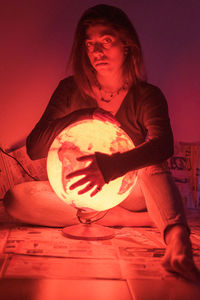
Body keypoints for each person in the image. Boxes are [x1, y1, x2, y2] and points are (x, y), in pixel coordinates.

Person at [3, 4, 199, 281]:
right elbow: (36, 147)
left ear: (127, 45)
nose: (97, 51)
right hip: (79, 195)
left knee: (151, 162)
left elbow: (163, 145)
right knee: (16, 199)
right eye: (90, 44)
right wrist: (80, 114)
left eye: (106, 41)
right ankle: (121, 219)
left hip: (129, 192)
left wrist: (109, 167)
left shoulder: (147, 96)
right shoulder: (69, 89)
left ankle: (178, 242)